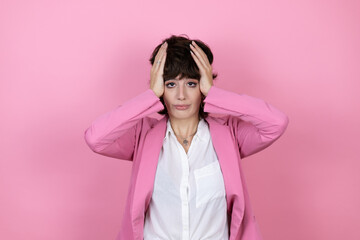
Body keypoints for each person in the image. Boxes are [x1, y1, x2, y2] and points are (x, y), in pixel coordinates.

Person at [84, 34, 289, 240]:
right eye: (171, 84)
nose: (181, 95)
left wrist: (214, 93)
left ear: (203, 85)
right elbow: (96, 138)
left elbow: (276, 123)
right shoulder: (143, 136)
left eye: (191, 84)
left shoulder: (230, 133)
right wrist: (150, 96)